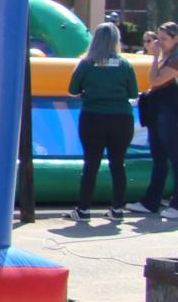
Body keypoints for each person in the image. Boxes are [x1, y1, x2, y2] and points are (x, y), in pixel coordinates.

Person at [68, 23, 140, 222]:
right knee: (118, 163)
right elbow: (133, 93)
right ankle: (117, 209)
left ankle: (83, 210)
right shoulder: (125, 64)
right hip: (121, 119)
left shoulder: (86, 64)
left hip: (93, 116)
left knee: (91, 164)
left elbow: (72, 89)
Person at [132, 21, 178, 220]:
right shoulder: (165, 57)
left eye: (164, 39)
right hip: (159, 111)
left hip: (171, 112)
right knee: (159, 157)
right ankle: (151, 201)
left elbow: (157, 81)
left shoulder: (175, 58)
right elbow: (153, 80)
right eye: (158, 38)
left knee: (175, 158)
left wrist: (156, 59)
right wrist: (156, 59)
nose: (160, 43)